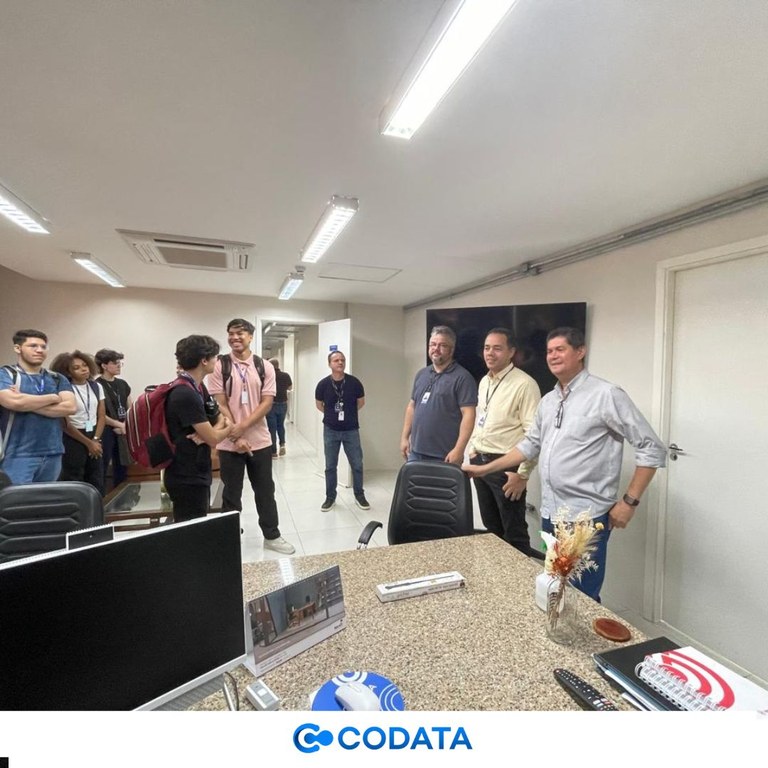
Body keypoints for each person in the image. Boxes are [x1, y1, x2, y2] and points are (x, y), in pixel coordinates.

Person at [464, 327, 666, 602]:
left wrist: (629, 502)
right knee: (556, 587)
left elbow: (651, 447)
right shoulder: (549, 401)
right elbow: (529, 445)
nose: (553, 356)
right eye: (549, 351)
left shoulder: (606, 394)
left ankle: (584, 631)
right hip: (552, 513)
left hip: (585, 516)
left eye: (561, 349)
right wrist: (484, 469)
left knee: (581, 595)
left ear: (580, 351)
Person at [208, 319, 295, 554]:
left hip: (260, 441)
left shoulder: (263, 366)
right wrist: (235, 436)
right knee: (231, 493)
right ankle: (229, 537)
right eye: (231, 333)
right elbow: (219, 403)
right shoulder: (220, 365)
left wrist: (243, 426)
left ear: (250, 337)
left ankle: (272, 535)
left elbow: (267, 403)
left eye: (240, 333)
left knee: (265, 491)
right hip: (229, 443)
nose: (235, 337)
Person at [467, 328, 541, 556]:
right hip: (480, 462)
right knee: (492, 530)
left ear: (511, 352)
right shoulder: (484, 381)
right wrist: (472, 449)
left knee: (514, 533)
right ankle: (498, 573)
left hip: (507, 467)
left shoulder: (524, 384)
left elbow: (535, 435)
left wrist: (523, 475)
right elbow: (482, 418)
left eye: (497, 348)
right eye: (487, 348)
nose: (490, 353)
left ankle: (520, 577)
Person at [163, 335, 231, 523]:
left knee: (198, 523)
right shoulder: (184, 393)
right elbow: (214, 439)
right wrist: (225, 428)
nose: (217, 361)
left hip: (198, 470)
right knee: (190, 529)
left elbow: (218, 417)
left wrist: (211, 430)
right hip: (185, 475)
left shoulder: (199, 388)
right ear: (204, 360)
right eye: (215, 357)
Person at [0, 329, 75, 484]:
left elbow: (70, 407)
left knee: (45, 499)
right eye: (33, 346)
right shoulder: (6, 374)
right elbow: (13, 402)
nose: (39, 350)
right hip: (17, 454)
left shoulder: (56, 378)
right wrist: (52, 398)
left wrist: (25, 402)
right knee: (17, 498)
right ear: (17, 348)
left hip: (53, 452)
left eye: (43, 346)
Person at [400, 325, 477, 463]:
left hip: (445, 455)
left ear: (451, 350)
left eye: (442, 345)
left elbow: (469, 415)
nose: (436, 349)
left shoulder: (463, 378)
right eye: (433, 344)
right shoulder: (421, 374)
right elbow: (412, 406)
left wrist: (459, 449)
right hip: (416, 453)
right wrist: (404, 438)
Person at [314, 350, 369, 512]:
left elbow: (361, 402)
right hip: (330, 430)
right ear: (329, 364)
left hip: (351, 430)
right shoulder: (323, 384)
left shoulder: (354, 382)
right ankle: (330, 497)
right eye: (336, 360)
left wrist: (348, 415)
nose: (340, 362)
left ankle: (359, 495)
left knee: (357, 464)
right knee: (330, 466)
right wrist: (332, 415)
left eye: (342, 360)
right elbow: (319, 405)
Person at [50, 350, 106, 494]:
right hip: (73, 437)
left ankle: (98, 505)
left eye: (85, 365)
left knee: (96, 476)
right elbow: (65, 424)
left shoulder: (96, 386)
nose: (83, 369)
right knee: (74, 476)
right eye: (76, 368)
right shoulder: (64, 390)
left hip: (94, 433)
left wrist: (95, 439)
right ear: (67, 372)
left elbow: (101, 416)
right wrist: (89, 444)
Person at [94, 348, 133, 491]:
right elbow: (99, 413)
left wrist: (126, 425)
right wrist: (117, 424)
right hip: (106, 430)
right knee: (103, 466)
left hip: (123, 430)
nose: (118, 365)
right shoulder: (97, 385)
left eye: (119, 363)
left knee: (122, 466)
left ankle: (123, 496)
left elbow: (130, 406)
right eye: (114, 363)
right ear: (104, 365)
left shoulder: (122, 384)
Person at [266, 357, 292, 459]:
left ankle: (273, 452)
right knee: (280, 425)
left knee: (272, 428)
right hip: (283, 404)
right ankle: (282, 445)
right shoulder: (286, 375)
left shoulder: (268, 376)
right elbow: (290, 387)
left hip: (271, 405)